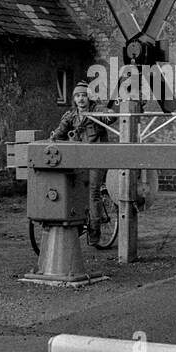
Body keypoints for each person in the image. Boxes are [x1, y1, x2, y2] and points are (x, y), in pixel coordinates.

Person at [51, 81, 113, 246]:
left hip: (97, 158)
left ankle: (95, 229)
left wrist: (109, 114)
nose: (81, 99)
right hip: (79, 159)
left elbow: (108, 116)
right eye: (77, 96)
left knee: (93, 192)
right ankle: (76, 222)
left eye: (84, 95)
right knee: (73, 191)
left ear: (89, 97)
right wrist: (54, 137)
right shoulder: (71, 115)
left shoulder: (96, 110)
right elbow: (59, 133)